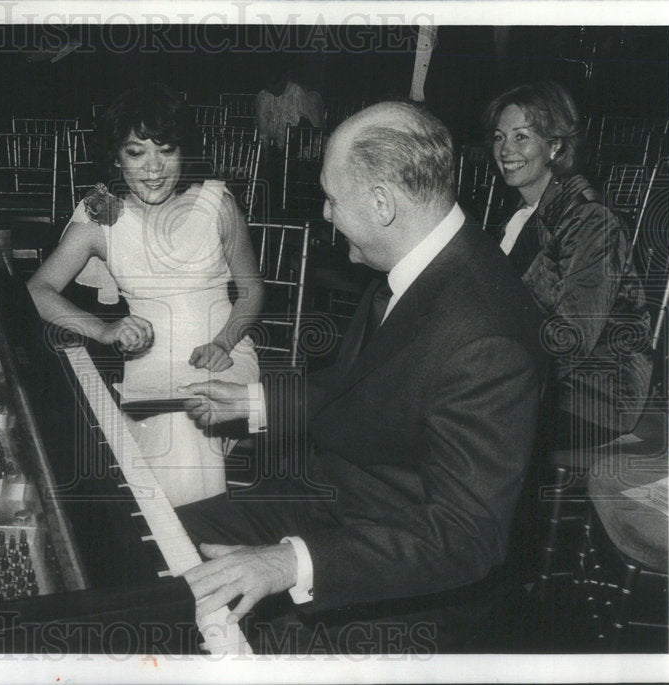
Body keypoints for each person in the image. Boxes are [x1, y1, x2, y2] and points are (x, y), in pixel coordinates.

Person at [175, 102, 545, 653]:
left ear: (382, 203)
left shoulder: (486, 338)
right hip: (336, 503)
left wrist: (288, 562)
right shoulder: (420, 262)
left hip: (398, 580)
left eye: (330, 197)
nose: (325, 214)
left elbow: (467, 539)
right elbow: (371, 387)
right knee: (162, 550)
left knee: (178, 617)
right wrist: (253, 400)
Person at [26, 85, 264, 507]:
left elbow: (250, 292)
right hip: (150, 364)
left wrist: (224, 342)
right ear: (116, 157)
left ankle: (185, 535)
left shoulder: (217, 203)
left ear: (183, 153)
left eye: (166, 150)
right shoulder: (101, 217)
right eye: (136, 153)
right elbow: (38, 290)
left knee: (187, 418)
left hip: (225, 353)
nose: (153, 168)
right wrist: (103, 330)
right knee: (176, 424)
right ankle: (189, 534)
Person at [483, 81, 653, 448]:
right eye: (499, 137)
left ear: (555, 146)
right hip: (531, 378)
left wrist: (492, 377)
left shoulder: (591, 220)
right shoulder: (519, 215)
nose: (505, 149)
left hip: (592, 395)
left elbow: (571, 338)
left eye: (521, 137)